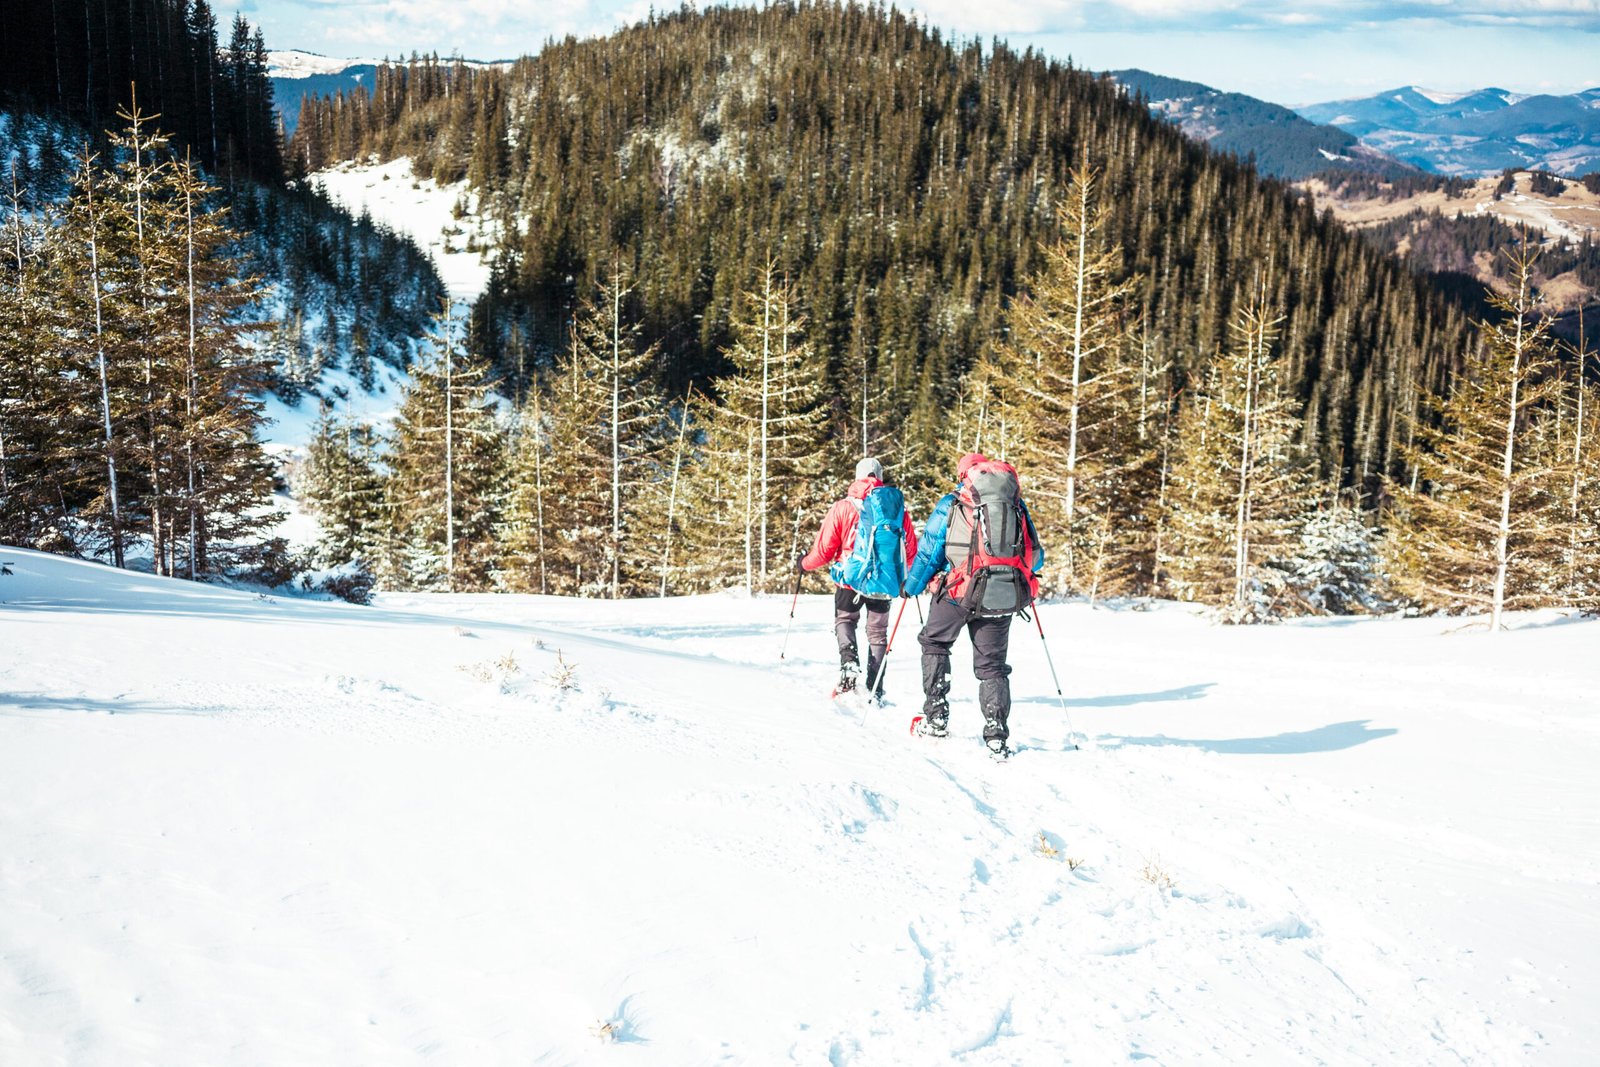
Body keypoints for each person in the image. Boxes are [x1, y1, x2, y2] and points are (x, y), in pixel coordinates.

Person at [903, 452, 1044, 760]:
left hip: (958, 592)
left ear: (964, 475)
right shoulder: (1015, 504)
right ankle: (996, 736)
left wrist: (911, 586)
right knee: (992, 666)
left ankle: (935, 719)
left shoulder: (954, 502)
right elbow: (1037, 555)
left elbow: (929, 553)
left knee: (935, 643)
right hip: (1002, 593)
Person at [797, 457, 918, 700]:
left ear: (857, 477)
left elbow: (824, 551)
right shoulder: (896, 510)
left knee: (845, 620)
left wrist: (804, 564)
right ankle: (875, 687)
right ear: (880, 477)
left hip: (850, 579)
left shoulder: (843, 507)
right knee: (877, 634)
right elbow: (911, 549)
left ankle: (849, 667)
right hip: (884, 580)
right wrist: (908, 580)